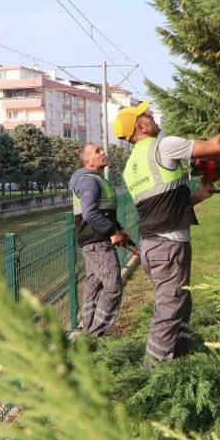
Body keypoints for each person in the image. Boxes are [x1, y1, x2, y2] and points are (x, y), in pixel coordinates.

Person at [114, 101, 220, 368]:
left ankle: (179, 362)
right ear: (141, 126)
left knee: (179, 304)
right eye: (147, 115)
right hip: (168, 247)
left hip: (154, 246)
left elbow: (163, 207)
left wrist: (199, 196)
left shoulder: (130, 166)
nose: (152, 116)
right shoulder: (163, 146)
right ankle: (151, 375)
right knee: (168, 312)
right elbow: (218, 147)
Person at [69, 143, 129, 337]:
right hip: (97, 242)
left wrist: (118, 228)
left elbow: (104, 211)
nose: (103, 152)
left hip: (96, 241)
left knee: (94, 286)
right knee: (112, 288)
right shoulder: (88, 181)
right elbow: (90, 214)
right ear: (88, 161)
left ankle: (88, 331)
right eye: (97, 151)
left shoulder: (97, 180)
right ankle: (95, 335)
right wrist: (112, 231)